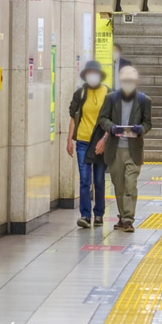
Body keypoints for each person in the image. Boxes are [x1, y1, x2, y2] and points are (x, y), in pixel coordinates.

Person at [98, 66, 152, 232]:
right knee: (119, 186)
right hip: (115, 150)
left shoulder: (144, 100)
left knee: (130, 185)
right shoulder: (111, 98)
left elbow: (148, 123)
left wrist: (140, 129)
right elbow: (102, 118)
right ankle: (122, 217)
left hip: (133, 150)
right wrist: (112, 127)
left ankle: (128, 219)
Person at [68, 60, 110, 228]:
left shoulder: (109, 93)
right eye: (89, 73)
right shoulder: (80, 93)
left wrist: (105, 140)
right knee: (85, 180)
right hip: (83, 142)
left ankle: (98, 214)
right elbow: (74, 117)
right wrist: (69, 139)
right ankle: (85, 216)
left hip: (101, 142)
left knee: (99, 180)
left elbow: (112, 120)